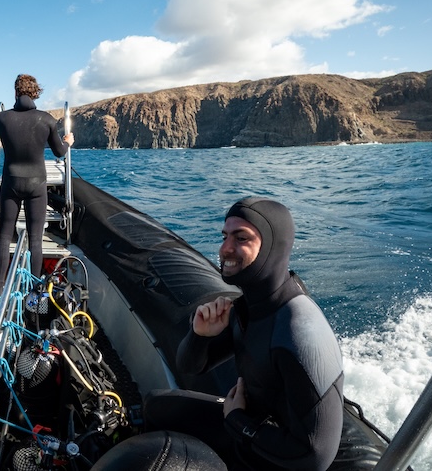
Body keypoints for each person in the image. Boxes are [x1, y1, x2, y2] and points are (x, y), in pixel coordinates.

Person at [144, 197, 344, 471]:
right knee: (155, 408)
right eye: (225, 236)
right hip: (253, 424)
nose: (225, 248)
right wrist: (201, 335)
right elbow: (191, 366)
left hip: (278, 453)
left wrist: (238, 422)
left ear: (273, 247)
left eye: (241, 238)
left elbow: (314, 456)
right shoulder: (250, 307)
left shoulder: (299, 329)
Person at [0, 74, 74, 294]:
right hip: (37, 185)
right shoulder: (47, 119)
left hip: (11, 184)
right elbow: (59, 152)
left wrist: (0, 137)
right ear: (36, 93)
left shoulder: (0, 118)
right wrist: (67, 142)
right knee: (35, 239)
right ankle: (36, 291)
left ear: (15, 92)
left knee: (4, 237)